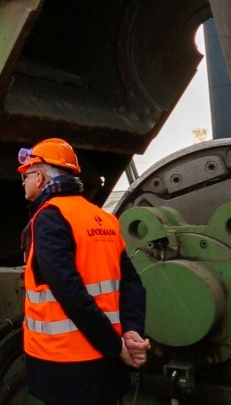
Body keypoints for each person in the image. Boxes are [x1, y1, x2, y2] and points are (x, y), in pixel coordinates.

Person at [17, 138, 150, 405]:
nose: (23, 182)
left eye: (27, 175)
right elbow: (132, 283)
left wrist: (116, 347)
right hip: (106, 366)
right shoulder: (103, 218)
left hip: (66, 366)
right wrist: (132, 332)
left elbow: (69, 291)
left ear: (41, 177)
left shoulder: (49, 216)